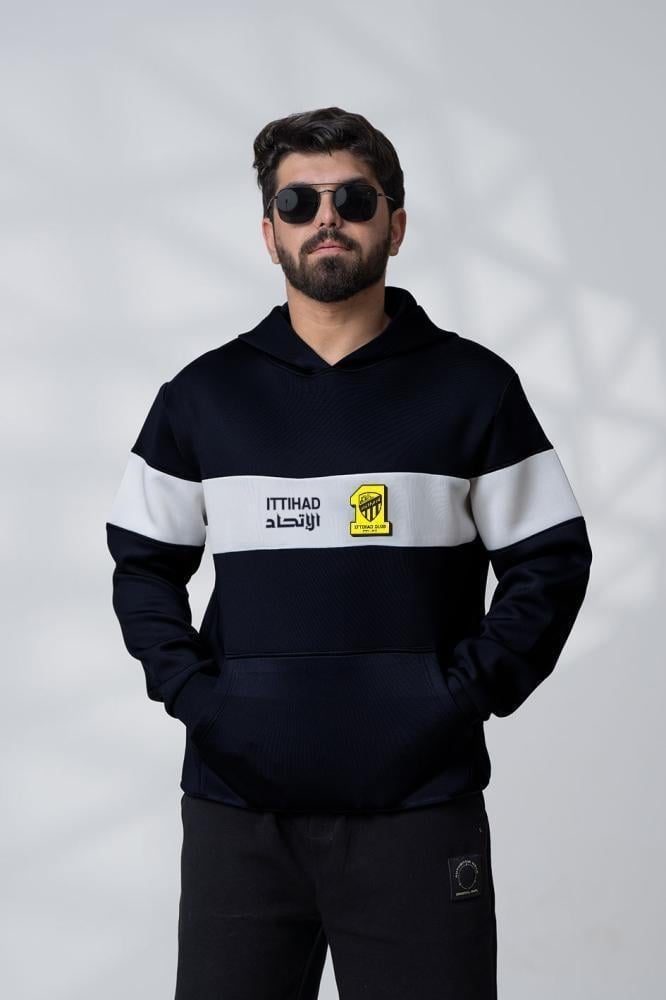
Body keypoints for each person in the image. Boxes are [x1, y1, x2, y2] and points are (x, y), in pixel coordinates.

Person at [106, 106, 592, 999]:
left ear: (395, 225)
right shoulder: (203, 396)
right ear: (270, 233)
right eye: (299, 201)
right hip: (238, 812)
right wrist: (202, 700)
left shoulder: (474, 389)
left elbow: (551, 562)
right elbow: (142, 564)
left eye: (355, 200)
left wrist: (456, 697)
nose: (326, 218)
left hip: (420, 807)